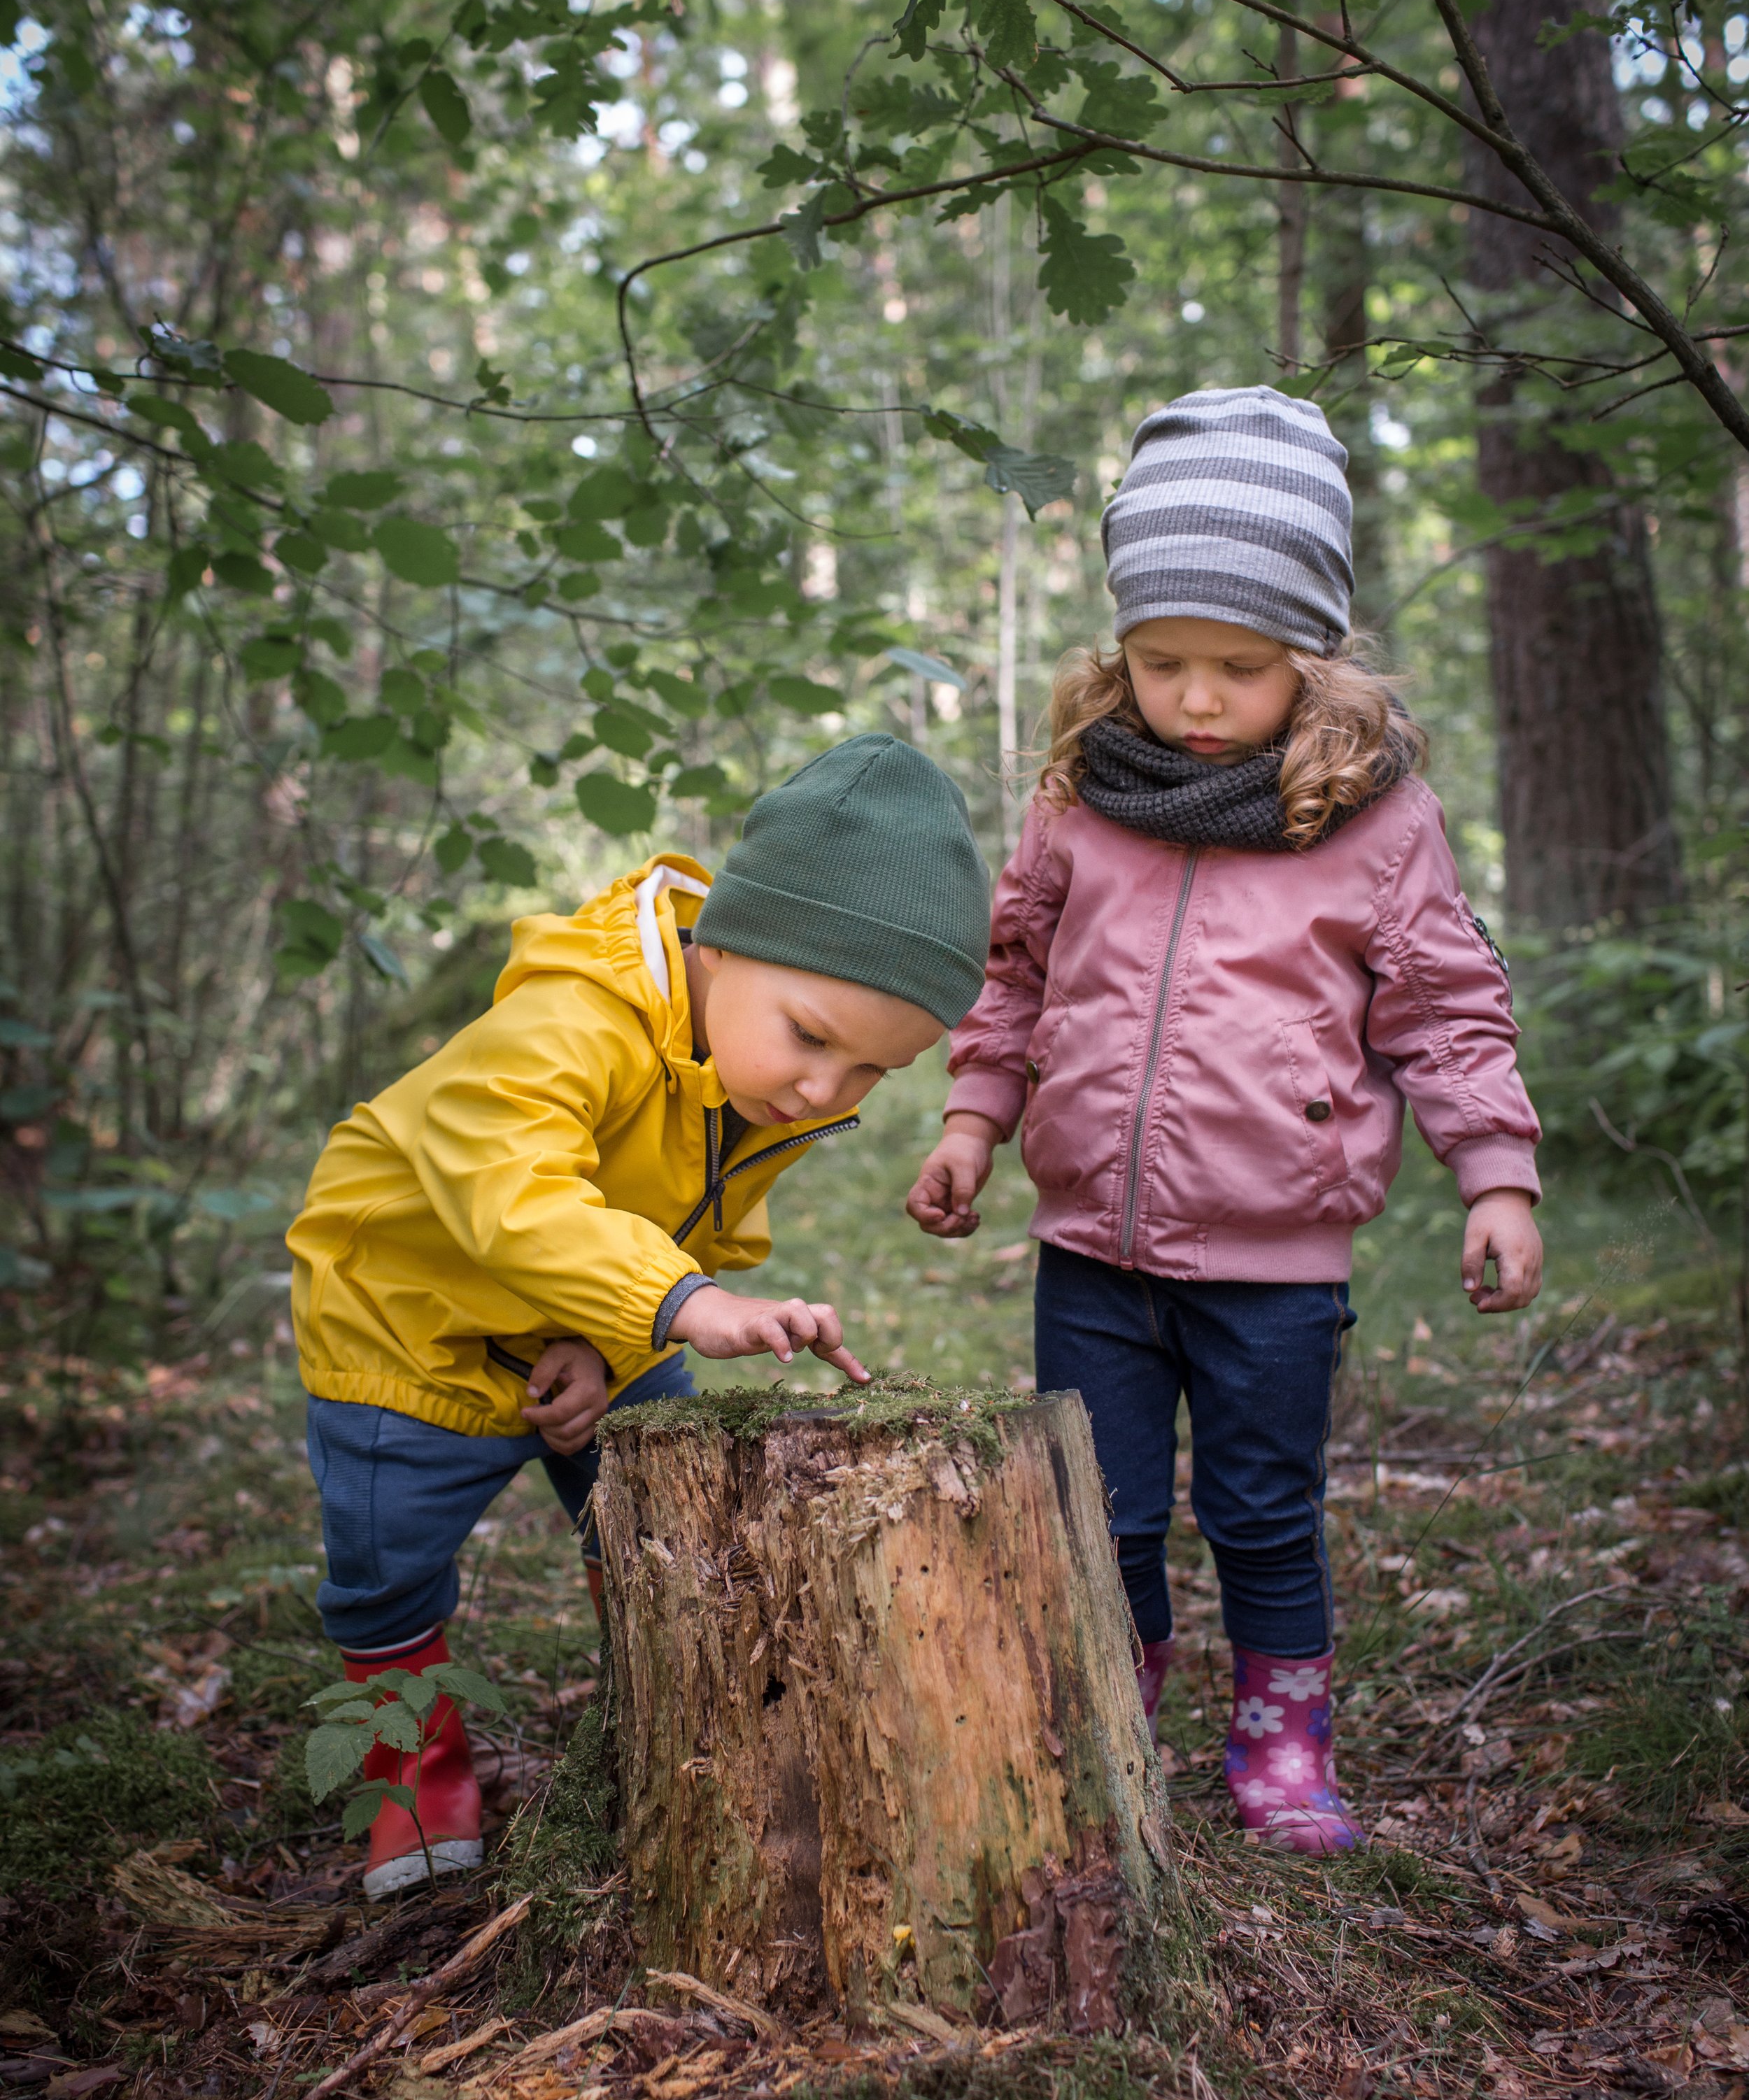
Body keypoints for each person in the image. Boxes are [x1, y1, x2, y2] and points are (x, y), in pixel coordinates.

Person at [907, 386, 1542, 1856]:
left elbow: (1443, 1007)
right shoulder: (1080, 797)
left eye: (1236, 668)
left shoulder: (1372, 819)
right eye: (1158, 660)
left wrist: (1492, 1176)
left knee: (1258, 1511)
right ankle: (1113, 1710)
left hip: (1274, 1254)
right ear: (1116, 650)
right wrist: (969, 1122)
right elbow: (1012, 975)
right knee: (1103, 1510)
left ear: (1307, 658)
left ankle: (1282, 1739)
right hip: (1092, 1248)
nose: (1193, 697)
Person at [288, 733, 989, 1896]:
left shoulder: (760, 1074)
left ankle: (670, 1718)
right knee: (386, 1565)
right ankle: (415, 1766)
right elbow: (509, 1192)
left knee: (657, 1510)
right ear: (724, 941)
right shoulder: (579, 1011)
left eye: (871, 1074)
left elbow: (684, 1212)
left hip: (600, 1316)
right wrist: (678, 1302)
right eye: (814, 1037)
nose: (825, 1089)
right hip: (406, 1326)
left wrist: (612, 1333)